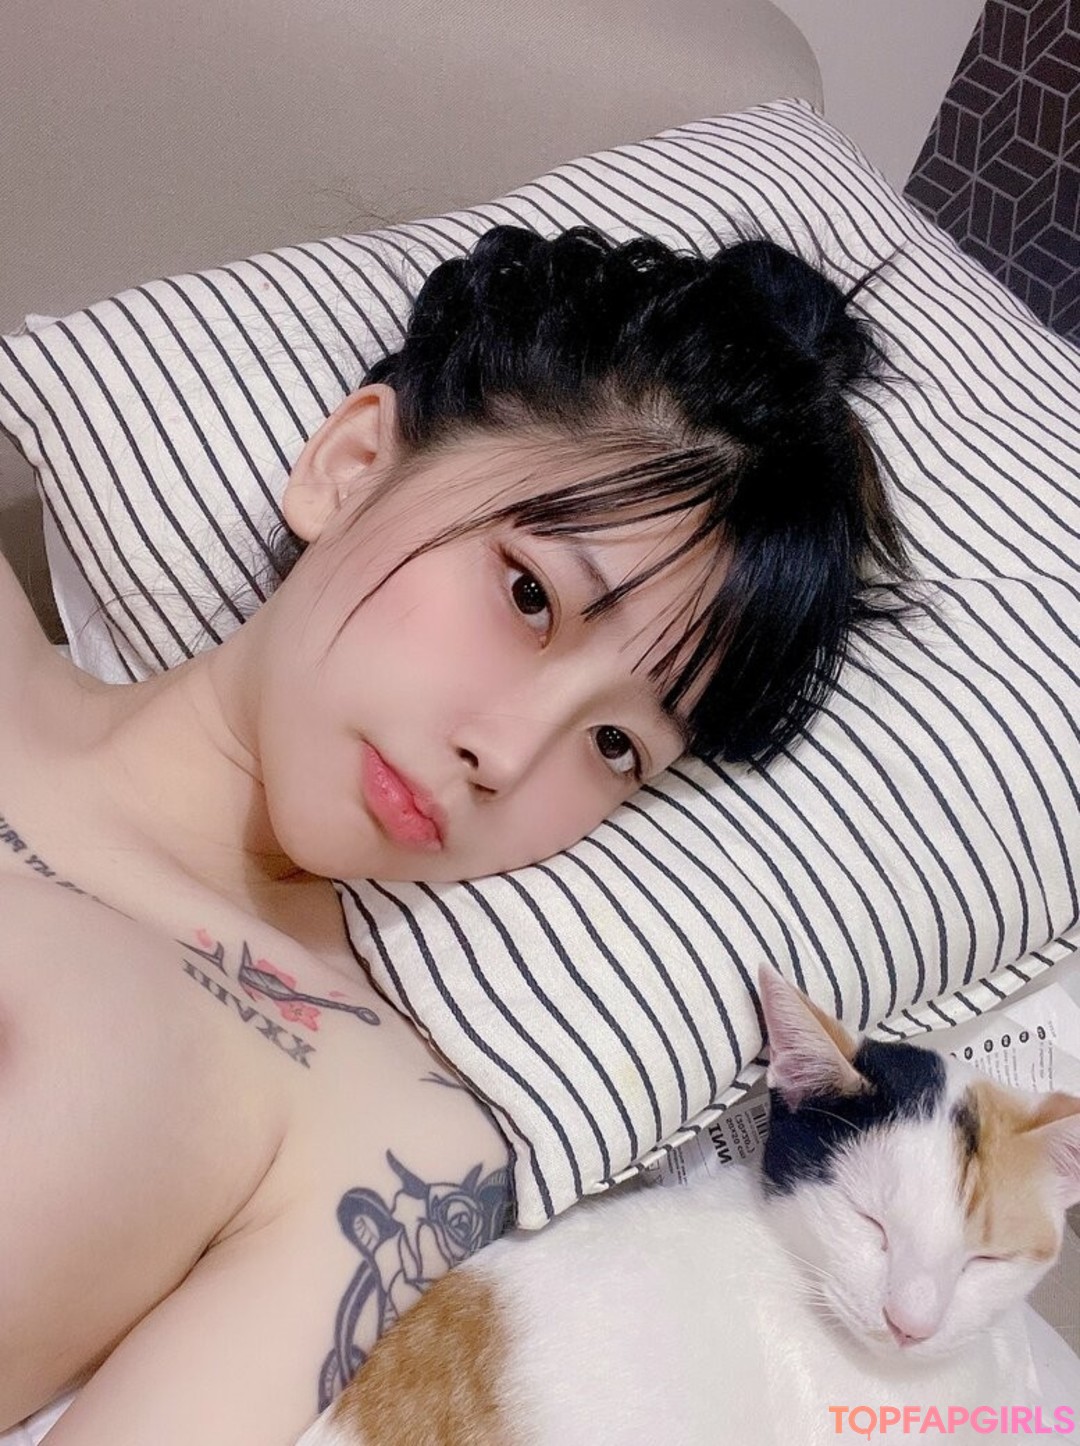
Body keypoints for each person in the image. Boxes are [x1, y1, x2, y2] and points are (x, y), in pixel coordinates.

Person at [0, 225, 908, 1445]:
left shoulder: (380, 1125)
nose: (509, 755)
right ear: (350, 467)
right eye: (530, 596)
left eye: (616, 747)